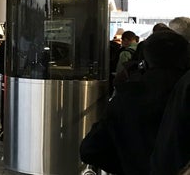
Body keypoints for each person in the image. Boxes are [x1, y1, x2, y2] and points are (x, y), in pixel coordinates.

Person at [80, 30, 189, 174]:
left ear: (144, 61)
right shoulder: (183, 92)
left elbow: (89, 150)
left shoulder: (127, 97)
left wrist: (127, 165)